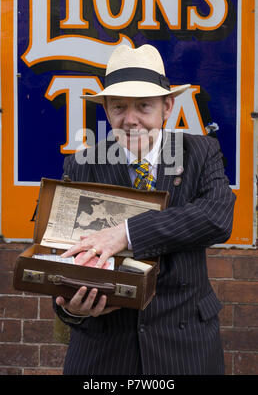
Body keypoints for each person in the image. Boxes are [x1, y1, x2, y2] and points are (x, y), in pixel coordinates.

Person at [53, 44, 236, 375]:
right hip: (105, 353)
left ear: (166, 107)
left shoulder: (201, 153)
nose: (131, 119)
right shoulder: (81, 165)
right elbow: (62, 258)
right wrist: (73, 309)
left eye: (143, 106)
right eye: (119, 107)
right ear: (106, 109)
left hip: (185, 349)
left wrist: (125, 234)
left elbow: (217, 218)